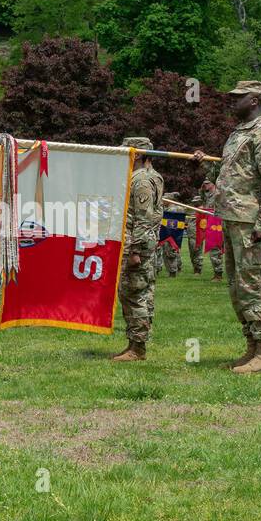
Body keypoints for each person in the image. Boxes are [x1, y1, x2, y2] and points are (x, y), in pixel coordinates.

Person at [194, 80, 261, 374]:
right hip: (234, 219)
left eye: (239, 97)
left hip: (251, 223)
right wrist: (205, 164)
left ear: (255, 100)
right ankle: (252, 347)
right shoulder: (239, 133)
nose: (232, 101)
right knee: (237, 287)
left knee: (254, 286)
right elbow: (231, 172)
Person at [113, 137, 164, 361]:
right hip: (141, 243)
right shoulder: (145, 177)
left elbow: (144, 218)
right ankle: (135, 343)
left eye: (128, 152)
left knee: (133, 294)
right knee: (140, 293)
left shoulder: (142, 179)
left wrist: (136, 251)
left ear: (139, 155)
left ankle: (138, 347)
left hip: (138, 245)